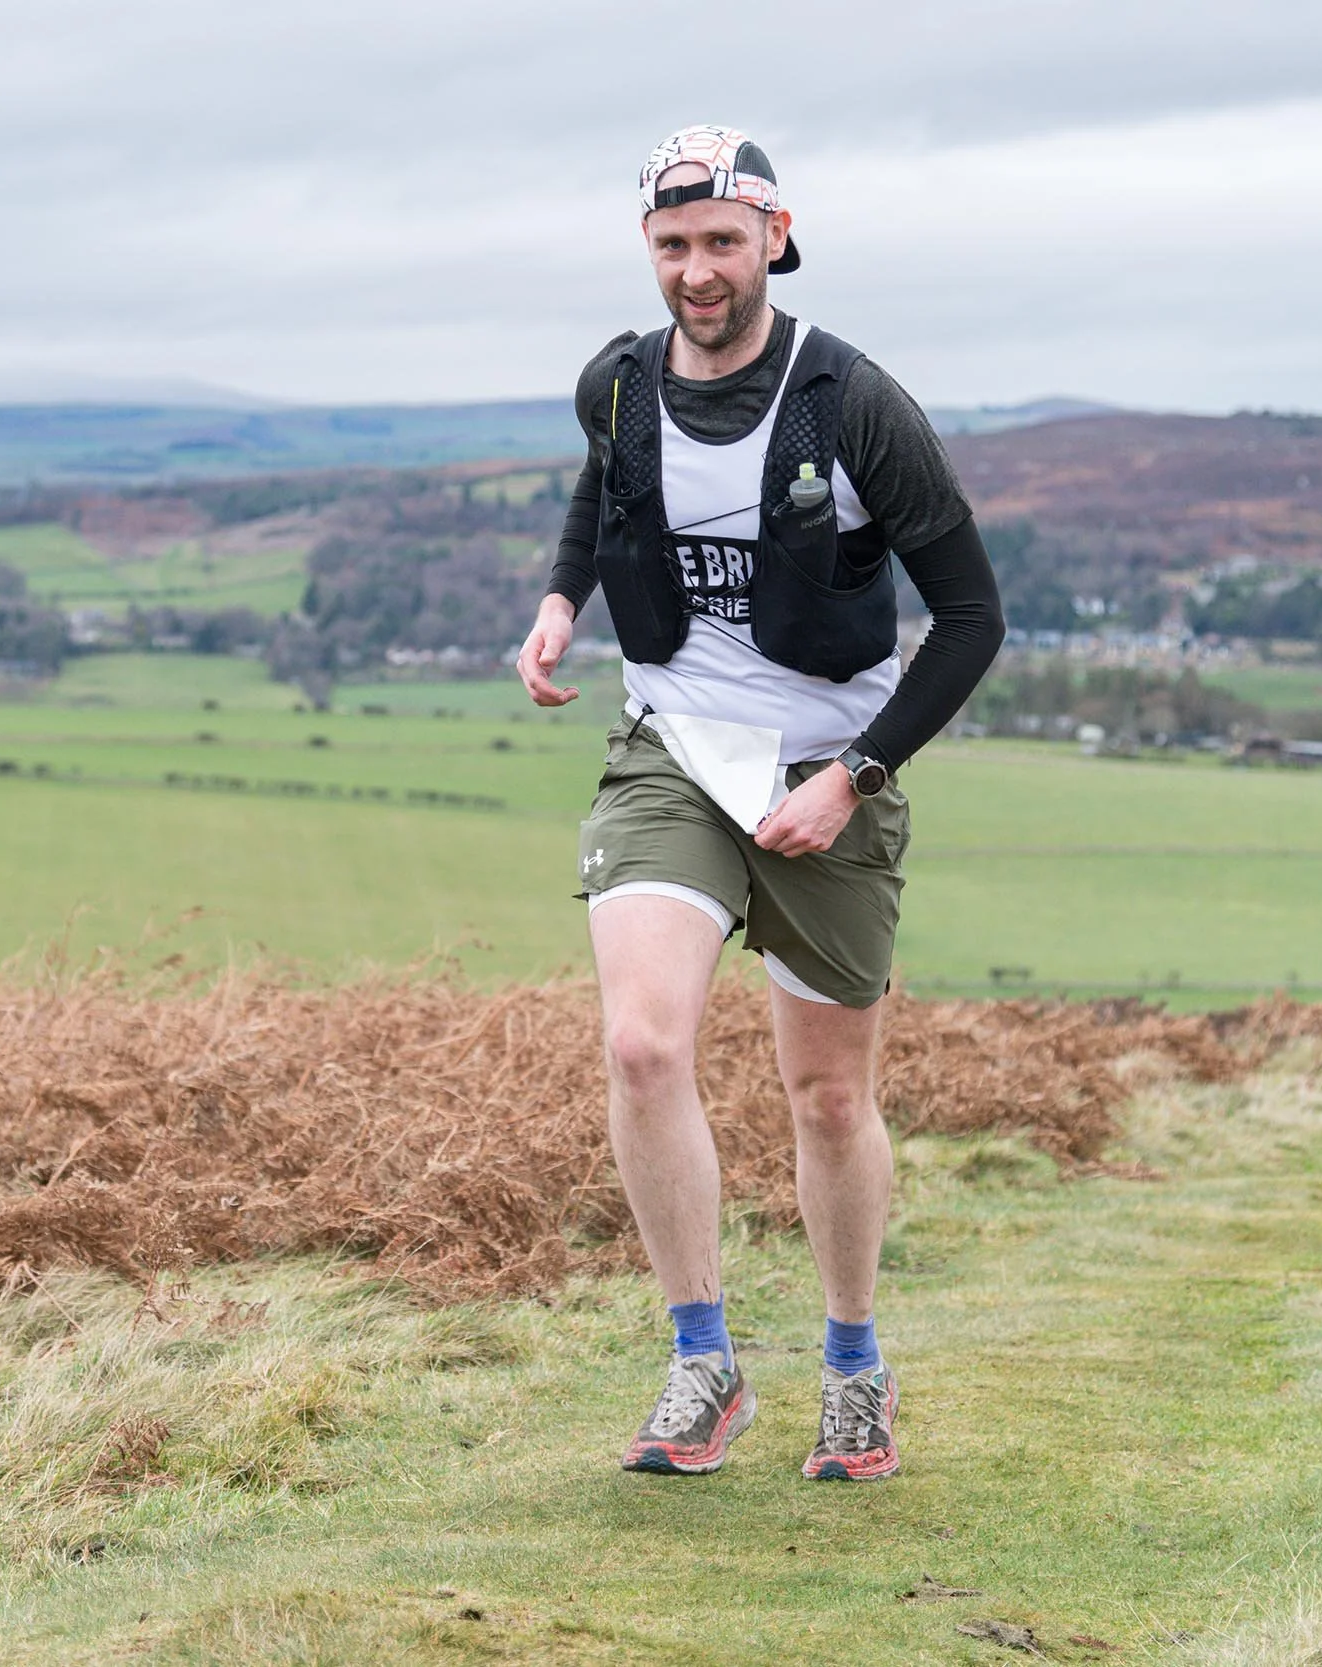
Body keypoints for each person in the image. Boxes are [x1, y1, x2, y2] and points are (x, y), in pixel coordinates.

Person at [517, 124, 1006, 1481]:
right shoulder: (615, 388)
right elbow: (602, 494)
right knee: (642, 1045)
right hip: (672, 743)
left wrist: (855, 779)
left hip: (829, 762)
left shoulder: (853, 402)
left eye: (723, 242)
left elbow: (972, 619)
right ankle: (702, 1359)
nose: (698, 271)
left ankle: (853, 1363)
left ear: (774, 237)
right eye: (673, 246)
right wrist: (563, 603)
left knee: (829, 1098)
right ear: (649, 251)